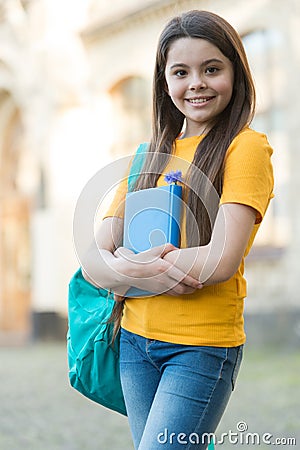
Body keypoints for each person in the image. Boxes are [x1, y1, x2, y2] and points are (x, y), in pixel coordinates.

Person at [82, 10, 274, 450]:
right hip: (134, 344)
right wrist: (132, 267)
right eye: (181, 71)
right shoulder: (147, 155)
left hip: (200, 348)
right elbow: (97, 254)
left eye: (212, 69)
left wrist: (128, 269)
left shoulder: (245, 148)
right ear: (164, 82)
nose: (197, 83)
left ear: (235, 73)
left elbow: (220, 260)